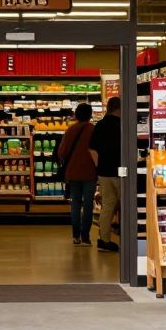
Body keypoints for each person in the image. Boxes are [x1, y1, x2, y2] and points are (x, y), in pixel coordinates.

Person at [58, 103, 97, 246]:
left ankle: (75, 236)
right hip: (90, 173)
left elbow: (61, 152)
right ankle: (85, 237)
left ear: (76, 115)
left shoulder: (71, 130)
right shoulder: (94, 130)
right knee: (88, 205)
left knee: (75, 204)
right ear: (90, 114)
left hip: (73, 172)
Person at [88, 95, 122, 253]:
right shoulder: (123, 124)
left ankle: (104, 240)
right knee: (126, 206)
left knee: (108, 206)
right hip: (122, 171)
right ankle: (129, 239)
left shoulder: (100, 125)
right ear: (119, 108)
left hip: (104, 172)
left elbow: (92, 149)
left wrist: (99, 165)